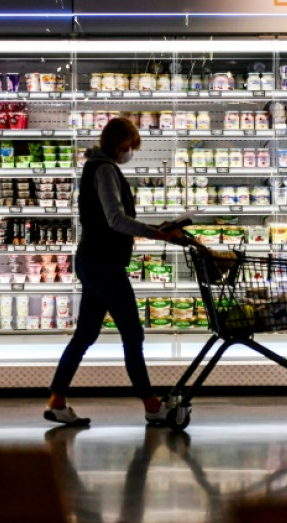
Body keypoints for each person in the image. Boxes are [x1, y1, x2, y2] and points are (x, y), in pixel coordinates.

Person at [45, 118, 184, 426]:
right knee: (132, 333)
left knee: (85, 334)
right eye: (131, 148)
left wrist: (154, 229)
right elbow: (115, 219)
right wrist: (158, 235)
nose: (130, 153)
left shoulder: (94, 166)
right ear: (122, 146)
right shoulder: (106, 169)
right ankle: (151, 404)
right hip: (104, 264)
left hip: (93, 260)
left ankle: (57, 401)